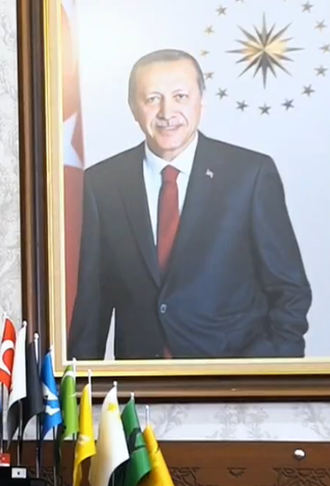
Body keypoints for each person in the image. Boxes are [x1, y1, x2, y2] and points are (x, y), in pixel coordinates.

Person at [68, 48, 312, 360]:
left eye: (180, 96)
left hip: (232, 376)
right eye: (152, 98)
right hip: (140, 380)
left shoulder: (250, 175)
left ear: (201, 102)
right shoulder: (102, 183)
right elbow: (93, 303)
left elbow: (290, 291)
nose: (167, 112)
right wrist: (79, 384)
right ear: (133, 107)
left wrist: (265, 374)